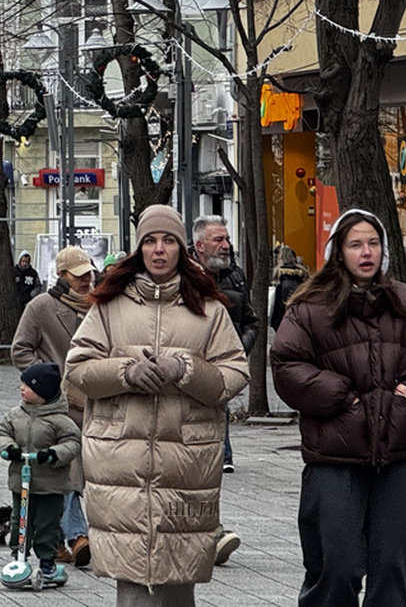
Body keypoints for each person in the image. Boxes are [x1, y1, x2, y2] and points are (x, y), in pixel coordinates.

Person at [64, 205, 249, 607]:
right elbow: (77, 370)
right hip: (121, 466)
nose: (159, 249)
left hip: (185, 465)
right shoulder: (109, 305)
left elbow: (234, 374)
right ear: (139, 248)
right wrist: (126, 372)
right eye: (150, 241)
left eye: (168, 241)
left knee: (179, 586)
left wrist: (185, 369)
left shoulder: (209, 309)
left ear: (182, 248)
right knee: (133, 588)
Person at [270, 208, 406, 607]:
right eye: (356, 244)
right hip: (334, 455)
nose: (366, 252)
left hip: (399, 455)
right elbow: (286, 364)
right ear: (339, 252)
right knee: (336, 565)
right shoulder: (310, 308)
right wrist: (342, 397)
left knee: (397, 569)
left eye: (373, 243)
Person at [11, 245, 97, 568]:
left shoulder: (98, 305)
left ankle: (63, 537)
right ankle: (77, 536)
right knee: (68, 468)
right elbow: (20, 350)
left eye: (89, 274)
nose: (86, 280)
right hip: (56, 406)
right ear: (61, 276)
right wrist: (47, 380)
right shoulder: (41, 307)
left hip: (94, 400)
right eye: (79, 276)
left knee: (89, 471)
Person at [0, 363, 82, 585]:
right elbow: (1, 432)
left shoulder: (60, 420)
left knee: (46, 524)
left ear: (43, 392)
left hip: (50, 485)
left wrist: (53, 454)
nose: (22, 388)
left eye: (28, 386)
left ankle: (47, 561)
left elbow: (73, 442)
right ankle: (18, 555)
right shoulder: (16, 415)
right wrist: (9, 448)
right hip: (21, 482)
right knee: (19, 520)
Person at [192, 214, 256, 485]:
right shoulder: (180, 276)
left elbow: (252, 322)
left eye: (227, 239)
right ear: (200, 245)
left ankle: (223, 455)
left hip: (223, 365)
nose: (226, 245)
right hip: (190, 363)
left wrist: (237, 352)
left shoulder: (235, 276)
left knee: (220, 405)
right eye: (218, 239)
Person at [269, 245, 309, 331]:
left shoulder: (279, 277)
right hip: (300, 317)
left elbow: (277, 304)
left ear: (280, 259)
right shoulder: (302, 275)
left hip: (284, 318)